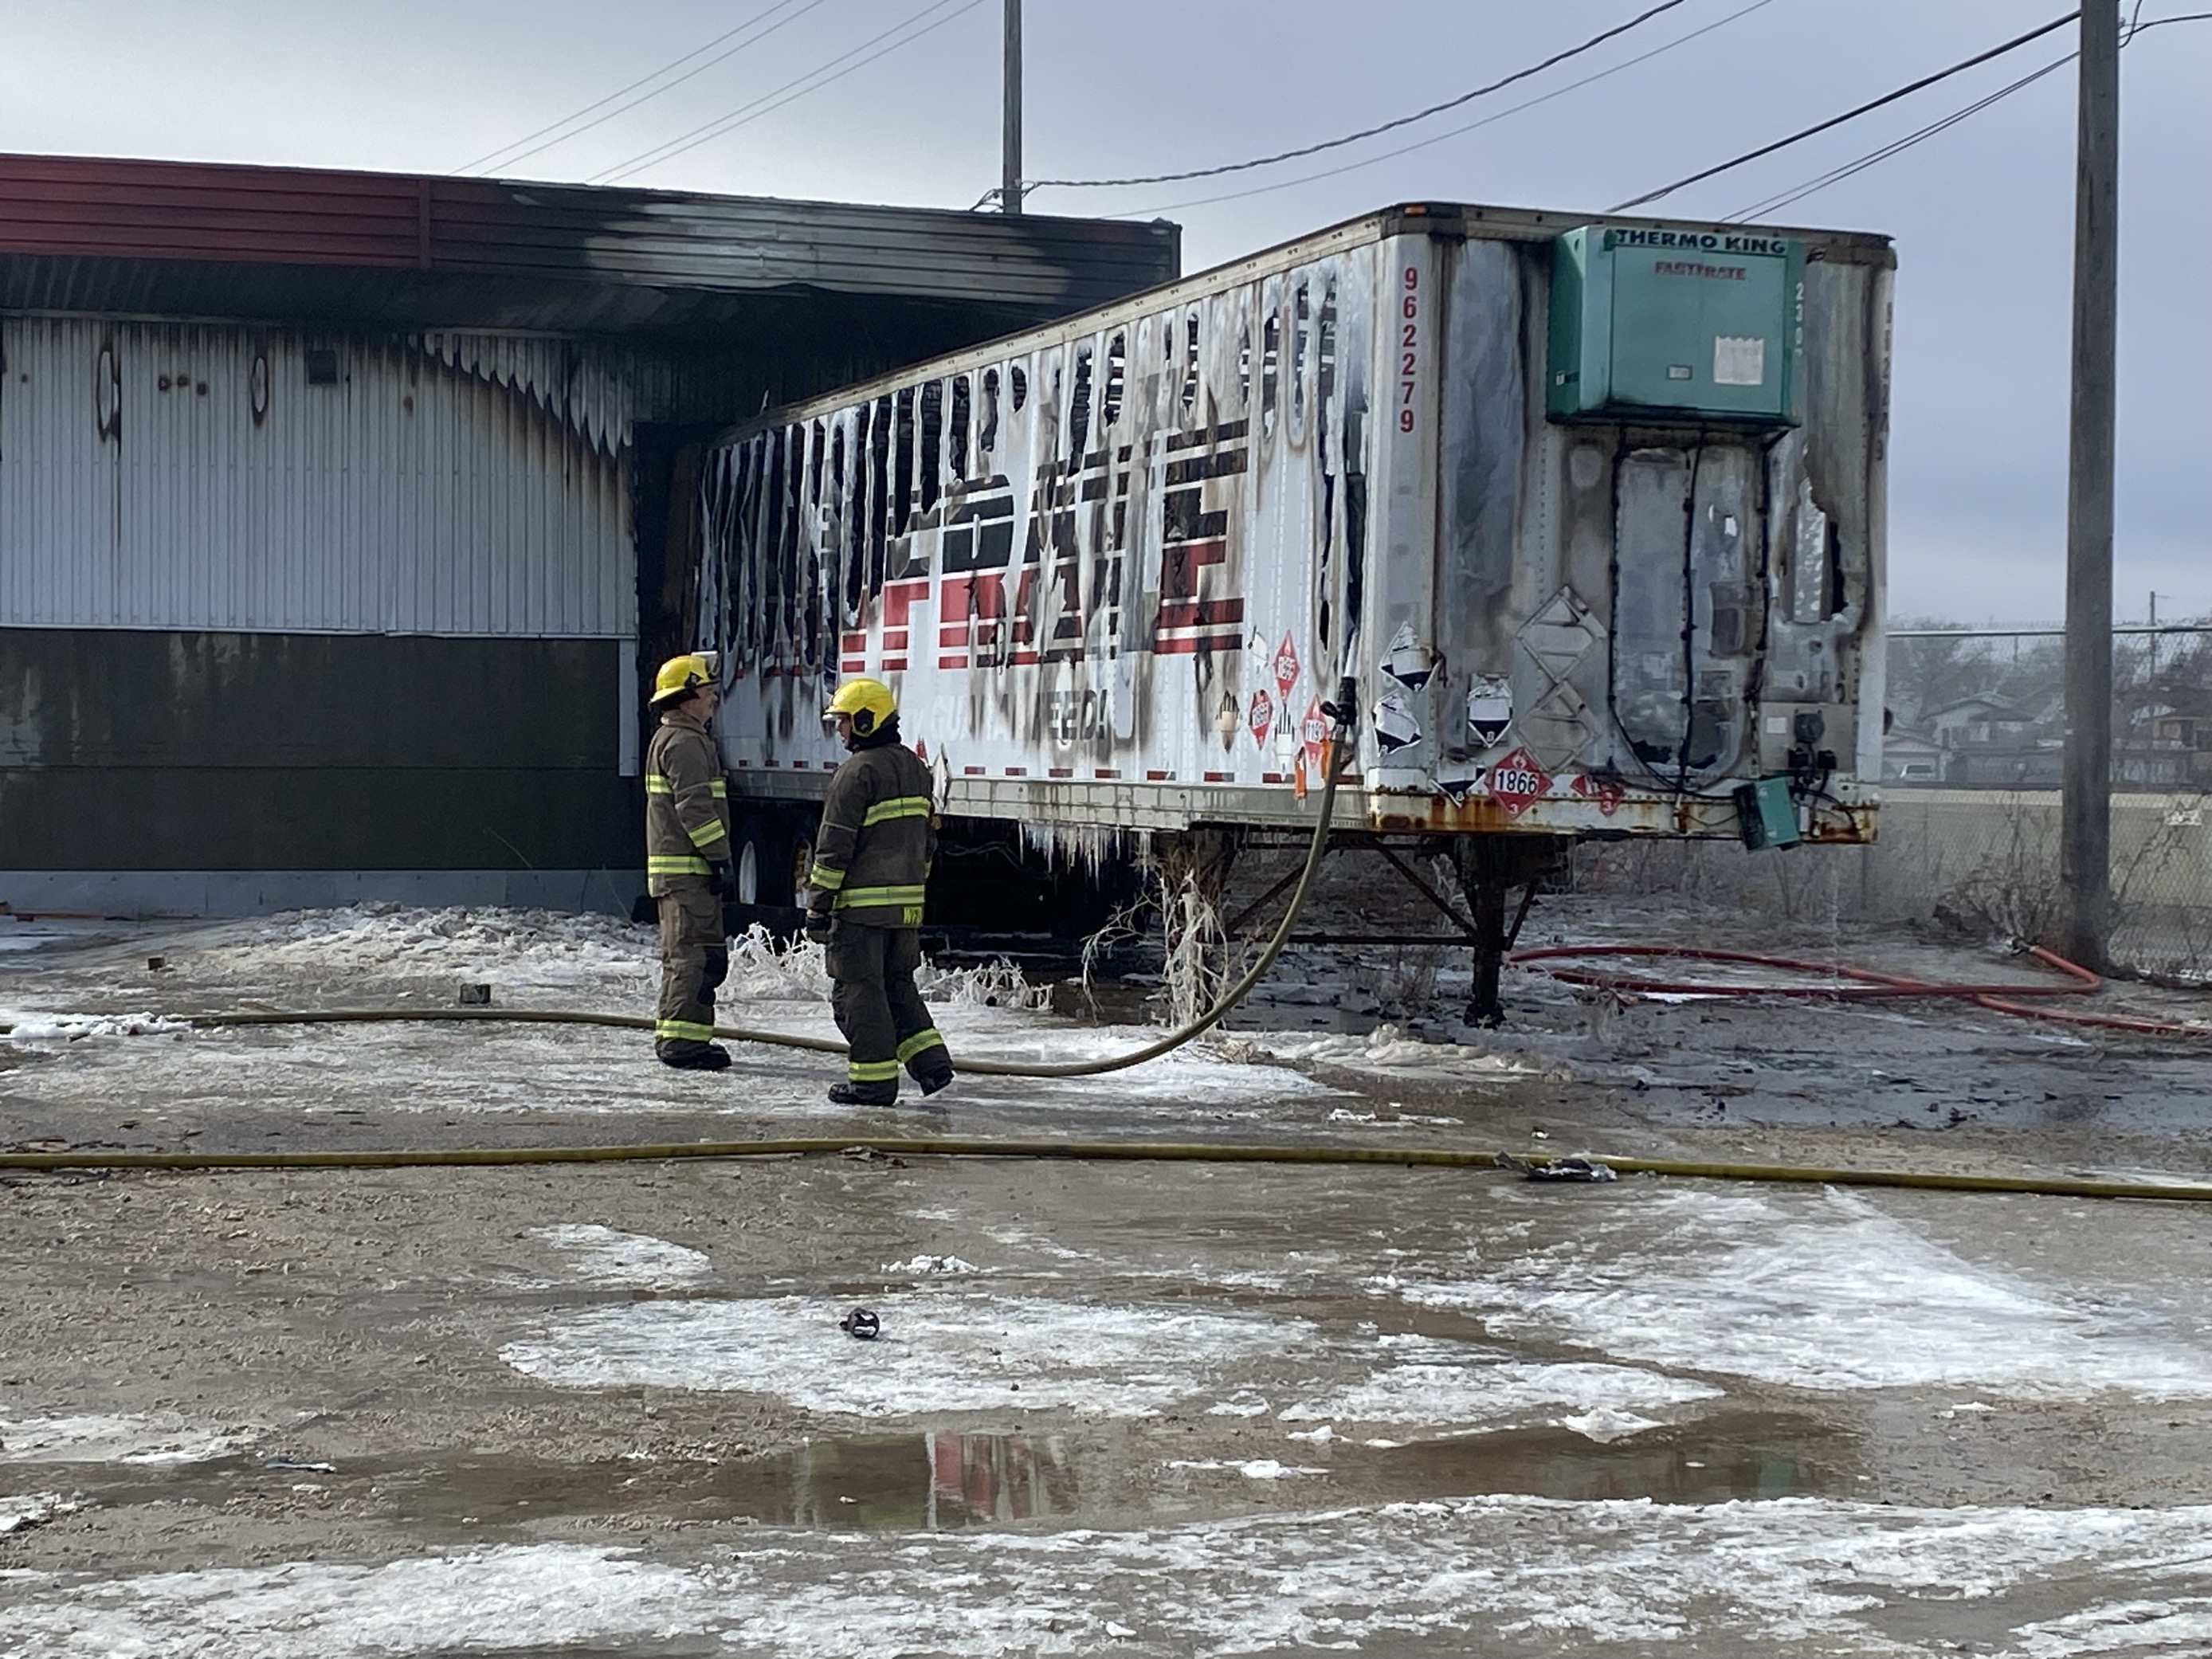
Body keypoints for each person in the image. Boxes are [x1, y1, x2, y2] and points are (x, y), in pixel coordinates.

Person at [805, 677, 955, 1106]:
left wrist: (818, 907)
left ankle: (873, 1083)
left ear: (867, 720)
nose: (839, 730)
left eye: (844, 721)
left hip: (861, 913)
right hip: (906, 911)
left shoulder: (856, 773)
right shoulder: (916, 768)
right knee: (897, 986)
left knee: (858, 993)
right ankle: (931, 1065)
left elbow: (833, 849)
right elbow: (927, 841)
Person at [645, 651, 736, 1071]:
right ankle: (682, 1045)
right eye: (706, 691)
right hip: (688, 874)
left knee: (696, 958)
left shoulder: (678, 738)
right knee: (690, 959)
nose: (713, 698)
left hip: (685, 873)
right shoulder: (683, 743)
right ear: (685, 698)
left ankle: (686, 1038)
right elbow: (695, 809)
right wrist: (719, 858)